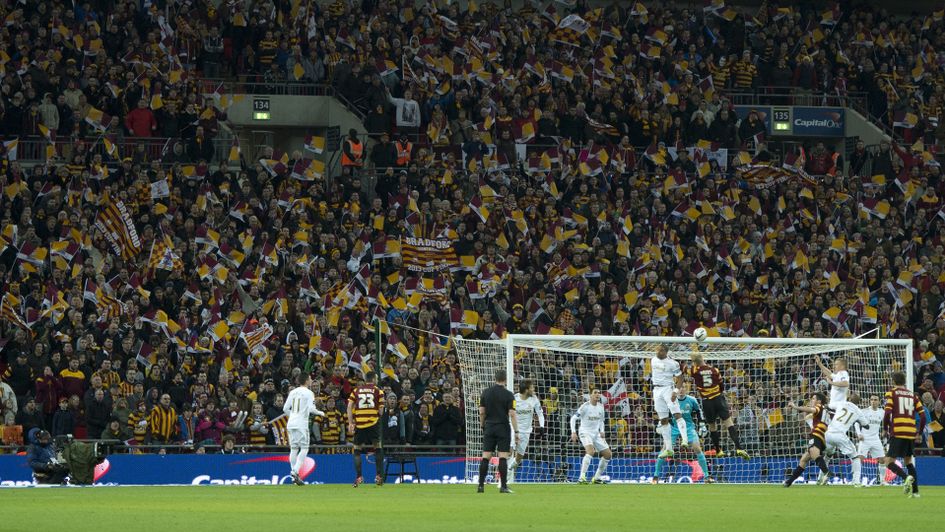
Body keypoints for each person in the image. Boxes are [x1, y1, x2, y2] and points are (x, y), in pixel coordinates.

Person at [688, 353, 749, 459]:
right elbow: (721, 385)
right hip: (718, 399)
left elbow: (684, 369)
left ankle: (718, 450)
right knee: (729, 423)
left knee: (712, 427)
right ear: (703, 358)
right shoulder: (714, 370)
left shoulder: (695, 370)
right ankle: (739, 448)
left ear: (694, 362)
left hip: (707, 401)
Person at [654, 383, 709, 483]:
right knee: (665, 449)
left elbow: (699, 411)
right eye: (680, 387)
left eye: (684, 387)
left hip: (688, 427)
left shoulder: (692, 400)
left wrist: (702, 424)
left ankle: (706, 476)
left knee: (697, 448)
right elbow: (664, 412)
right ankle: (656, 476)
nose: (682, 389)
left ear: (687, 388)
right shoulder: (670, 399)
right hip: (674, 428)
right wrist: (659, 423)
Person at [882, 371, 926, 497]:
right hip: (910, 433)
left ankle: (906, 477)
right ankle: (916, 492)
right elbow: (923, 416)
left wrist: (885, 428)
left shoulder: (891, 393)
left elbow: (887, 413)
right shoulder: (913, 396)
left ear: (893, 381)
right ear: (904, 381)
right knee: (909, 462)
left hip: (898, 431)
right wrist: (919, 432)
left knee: (889, 462)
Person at [478, 369, 517, 493]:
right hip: (503, 427)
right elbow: (512, 414)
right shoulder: (509, 395)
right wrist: (516, 431)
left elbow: (482, 412)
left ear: (495, 378)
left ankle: (480, 486)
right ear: (505, 379)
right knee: (503, 457)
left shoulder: (486, 392)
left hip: (489, 426)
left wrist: (482, 424)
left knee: (486, 456)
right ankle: (503, 486)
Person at [784, 392, 831, 487]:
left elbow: (810, 410)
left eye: (813, 399)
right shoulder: (825, 411)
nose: (811, 400)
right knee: (804, 460)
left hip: (817, 435)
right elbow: (808, 416)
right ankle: (789, 482)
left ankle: (826, 472)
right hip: (822, 436)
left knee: (814, 453)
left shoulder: (819, 407)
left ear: (819, 401)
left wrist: (795, 406)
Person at [823, 392, 870, 486]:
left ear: (849, 398)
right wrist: (857, 419)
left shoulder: (841, 403)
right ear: (858, 402)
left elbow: (827, 406)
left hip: (828, 434)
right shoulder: (858, 411)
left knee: (828, 456)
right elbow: (867, 426)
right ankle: (856, 482)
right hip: (840, 436)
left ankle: (821, 479)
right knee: (855, 457)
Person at [284, 373, 323, 485]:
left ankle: (294, 477)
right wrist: (321, 412)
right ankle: (295, 471)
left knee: (294, 449)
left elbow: (285, 408)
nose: (311, 380)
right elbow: (311, 408)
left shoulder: (292, 392)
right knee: (304, 448)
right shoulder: (309, 393)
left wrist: (293, 416)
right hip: (301, 424)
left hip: (291, 424)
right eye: (310, 379)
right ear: (306, 381)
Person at [347, 371, 385, 487]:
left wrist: (350, 422)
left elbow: (349, 406)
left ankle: (359, 477)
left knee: (357, 450)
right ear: (373, 379)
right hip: (373, 423)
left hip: (360, 424)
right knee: (378, 447)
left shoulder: (356, 391)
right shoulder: (379, 391)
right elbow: (381, 411)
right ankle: (378, 476)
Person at [651, 345, 687, 459]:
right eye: (657, 349)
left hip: (668, 389)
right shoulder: (652, 359)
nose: (658, 351)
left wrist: (675, 391)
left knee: (677, 414)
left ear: (666, 352)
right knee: (663, 420)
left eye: (661, 350)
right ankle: (669, 449)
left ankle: (685, 440)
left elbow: (681, 378)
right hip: (656, 390)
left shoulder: (673, 363)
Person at [570, 388, 612, 484]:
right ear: (590, 395)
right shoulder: (585, 406)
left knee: (608, 454)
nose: (597, 394)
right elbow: (573, 418)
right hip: (585, 432)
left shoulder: (601, 407)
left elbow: (601, 421)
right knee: (591, 451)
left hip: (596, 434)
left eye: (599, 393)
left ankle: (596, 478)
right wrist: (573, 432)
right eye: (595, 393)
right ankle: (582, 477)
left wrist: (602, 431)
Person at [509, 379, 545, 482]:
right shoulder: (514, 398)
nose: (534, 390)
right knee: (509, 451)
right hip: (513, 428)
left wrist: (542, 427)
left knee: (519, 457)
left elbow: (540, 413)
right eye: (532, 388)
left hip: (526, 431)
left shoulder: (534, 399)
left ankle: (508, 470)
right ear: (526, 390)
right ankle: (502, 476)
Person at [855, 394, 888, 485]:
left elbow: (888, 421)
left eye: (875, 399)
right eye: (872, 399)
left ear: (879, 401)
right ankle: (856, 480)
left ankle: (883, 481)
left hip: (876, 439)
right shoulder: (864, 411)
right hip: (864, 439)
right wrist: (859, 434)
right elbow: (856, 423)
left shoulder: (882, 412)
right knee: (859, 459)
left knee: (882, 459)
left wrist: (885, 430)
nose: (873, 401)